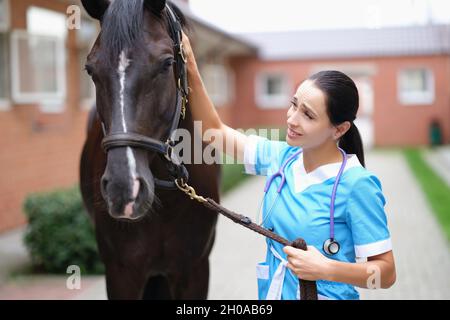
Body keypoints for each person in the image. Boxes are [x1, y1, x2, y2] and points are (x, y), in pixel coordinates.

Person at [181, 32, 396, 300]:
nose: (292, 119)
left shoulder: (357, 185)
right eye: (293, 104)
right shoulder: (283, 157)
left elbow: (385, 275)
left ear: (339, 129)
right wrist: (189, 63)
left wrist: (327, 269)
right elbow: (214, 131)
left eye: (307, 114)